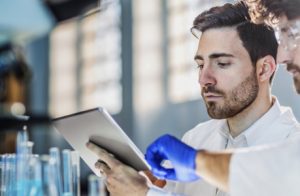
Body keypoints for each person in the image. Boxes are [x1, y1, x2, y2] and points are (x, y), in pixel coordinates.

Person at [86, 1, 300, 196]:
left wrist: (143, 194)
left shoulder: (291, 144)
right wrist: (141, 185)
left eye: (222, 63)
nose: (203, 79)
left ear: (263, 69)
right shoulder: (195, 140)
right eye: (200, 65)